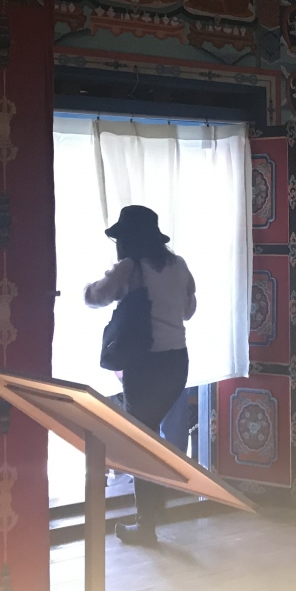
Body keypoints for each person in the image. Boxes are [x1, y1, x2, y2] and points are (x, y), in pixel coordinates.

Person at [85, 205, 196, 546]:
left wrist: (106, 283)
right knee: (151, 435)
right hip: (177, 363)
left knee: (141, 441)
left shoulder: (130, 267)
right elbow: (188, 311)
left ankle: (147, 524)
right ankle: (155, 506)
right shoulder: (179, 265)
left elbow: (94, 297)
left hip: (145, 367)